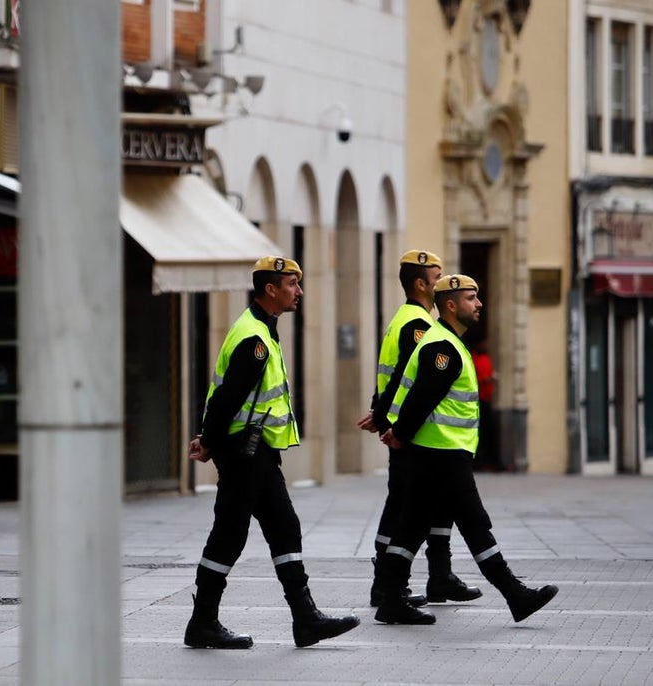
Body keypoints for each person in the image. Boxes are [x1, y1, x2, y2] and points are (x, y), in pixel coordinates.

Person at [184, 256, 360, 649]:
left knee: (284, 526)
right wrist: (210, 441)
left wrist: (211, 439)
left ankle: (305, 619)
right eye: (292, 284)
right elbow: (227, 398)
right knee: (229, 535)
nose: (299, 292)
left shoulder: (262, 330)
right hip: (244, 451)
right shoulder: (255, 340)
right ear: (270, 289)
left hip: (256, 450)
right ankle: (203, 622)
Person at [374, 275, 558, 625]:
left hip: (437, 451)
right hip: (441, 453)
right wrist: (400, 432)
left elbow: (411, 389)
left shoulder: (445, 342)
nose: (479, 304)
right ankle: (515, 594)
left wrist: (396, 430)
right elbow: (422, 396)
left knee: (412, 525)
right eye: (471, 298)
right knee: (474, 524)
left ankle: (390, 597)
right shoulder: (442, 347)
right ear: (451, 305)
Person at [357, 251, 481, 608]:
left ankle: (438, 577)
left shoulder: (407, 318)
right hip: (412, 431)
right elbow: (407, 377)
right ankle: (387, 585)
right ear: (421, 284)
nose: (442, 280)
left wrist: (380, 410)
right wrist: (387, 418)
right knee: (403, 507)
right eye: (436, 276)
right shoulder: (418, 325)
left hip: (407, 427)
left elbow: (392, 372)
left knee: (431, 506)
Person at [470, 338, 503, 471]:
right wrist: (487, 379)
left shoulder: (485, 359)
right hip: (478, 401)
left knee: (490, 433)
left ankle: (490, 462)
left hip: (486, 400)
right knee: (481, 433)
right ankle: (479, 462)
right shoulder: (473, 359)